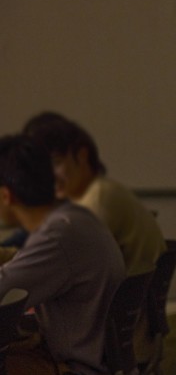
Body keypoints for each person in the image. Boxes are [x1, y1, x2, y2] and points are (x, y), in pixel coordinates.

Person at [0, 134, 125, 375]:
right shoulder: (73, 219)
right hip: (90, 366)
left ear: (6, 195)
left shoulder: (60, 236)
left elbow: (4, 288)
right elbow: (22, 266)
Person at [23, 111, 166, 276]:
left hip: (117, 299)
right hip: (127, 296)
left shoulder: (98, 198)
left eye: (56, 162)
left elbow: (57, 263)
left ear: (82, 155)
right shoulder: (97, 193)